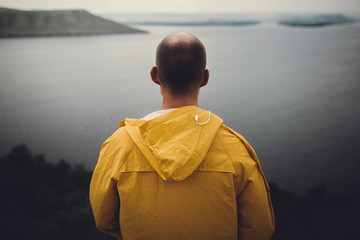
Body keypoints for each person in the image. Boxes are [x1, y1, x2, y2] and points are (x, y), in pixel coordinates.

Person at [89, 32, 275, 240]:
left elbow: (103, 218)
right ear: (204, 78)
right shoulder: (235, 148)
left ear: (155, 75)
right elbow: (260, 229)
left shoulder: (120, 145)